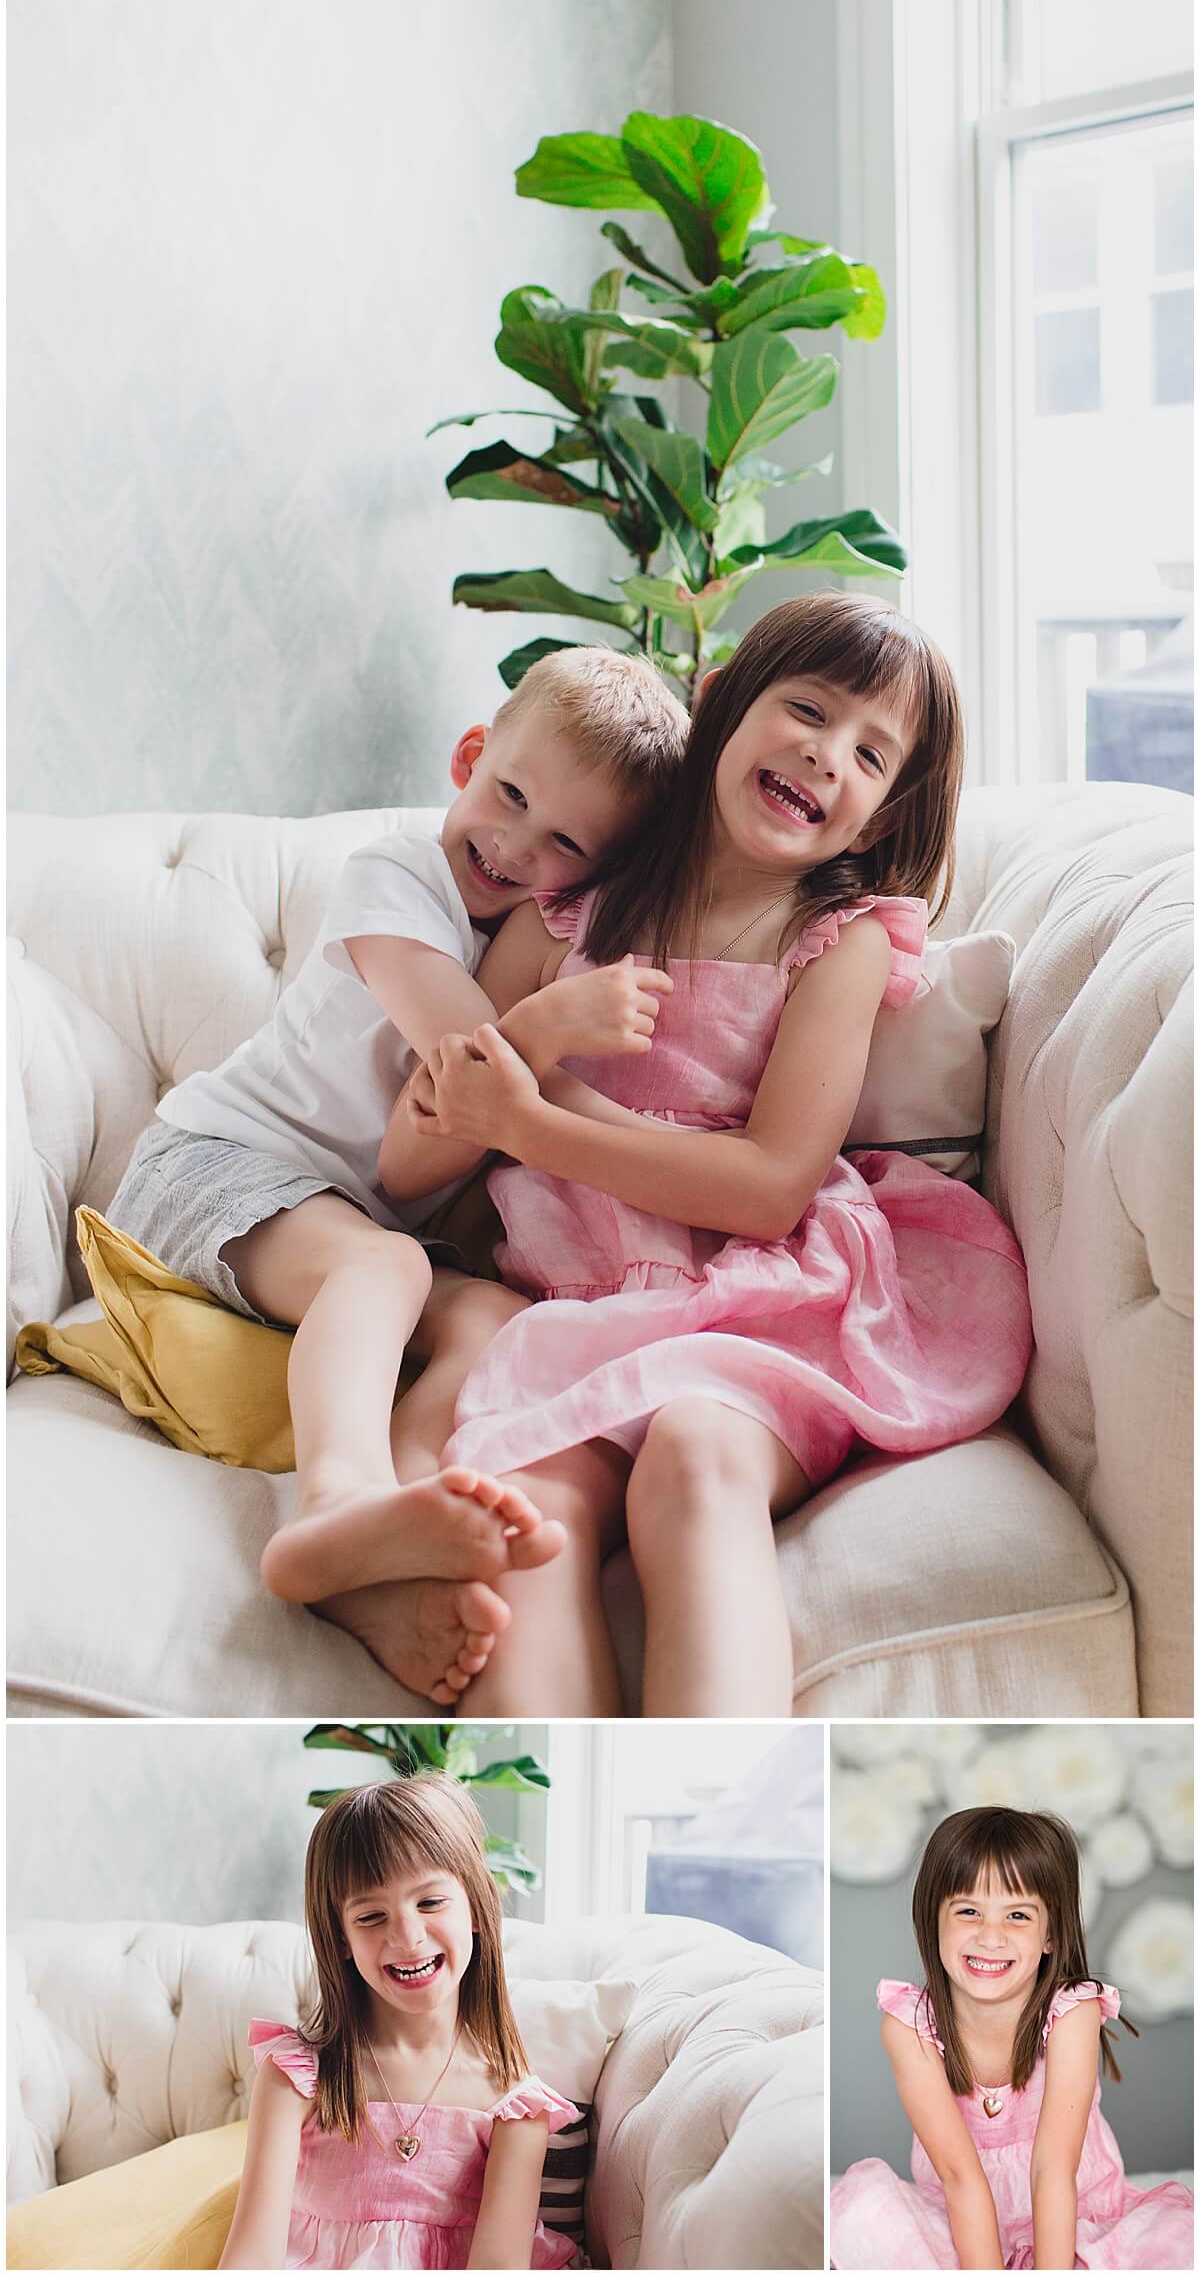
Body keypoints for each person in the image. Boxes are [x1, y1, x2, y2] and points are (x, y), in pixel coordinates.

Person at [362, 593, 1033, 1717]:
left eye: (870, 753)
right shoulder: (572, 912)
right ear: (722, 706)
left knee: (693, 1457)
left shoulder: (839, 941)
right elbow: (412, 1162)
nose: (826, 755)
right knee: (528, 1513)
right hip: (576, 1302)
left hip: (761, 1297)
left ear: (879, 816)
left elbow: (772, 1188)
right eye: (808, 711)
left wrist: (532, 1125)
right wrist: (514, 1062)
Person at [103, 647, 687, 1700]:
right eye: (509, 795)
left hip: (331, 1213)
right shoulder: (393, 874)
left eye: (564, 844)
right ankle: (336, 1500)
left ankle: (398, 1542)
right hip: (213, 1166)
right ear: (471, 757)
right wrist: (550, 1024)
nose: (514, 846)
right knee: (388, 1273)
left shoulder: (524, 936)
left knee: (500, 1322)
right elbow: (465, 1069)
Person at [219, 1774, 579, 2271]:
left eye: (430, 1902)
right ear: (340, 1938)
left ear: (476, 1907)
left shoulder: (514, 2105)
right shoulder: (297, 2078)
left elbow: (498, 2266)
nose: (407, 1937)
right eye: (371, 1917)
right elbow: (250, 2259)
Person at [829, 1804, 1194, 2269]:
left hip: (1072, 2218)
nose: (991, 1936)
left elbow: (1053, 2171)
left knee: (1174, 2245)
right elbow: (960, 2177)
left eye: (1018, 1916)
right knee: (861, 2206)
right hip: (964, 2222)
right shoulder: (909, 2026)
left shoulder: (1071, 2014)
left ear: (1050, 1935)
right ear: (932, 1920)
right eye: (968, 1911)